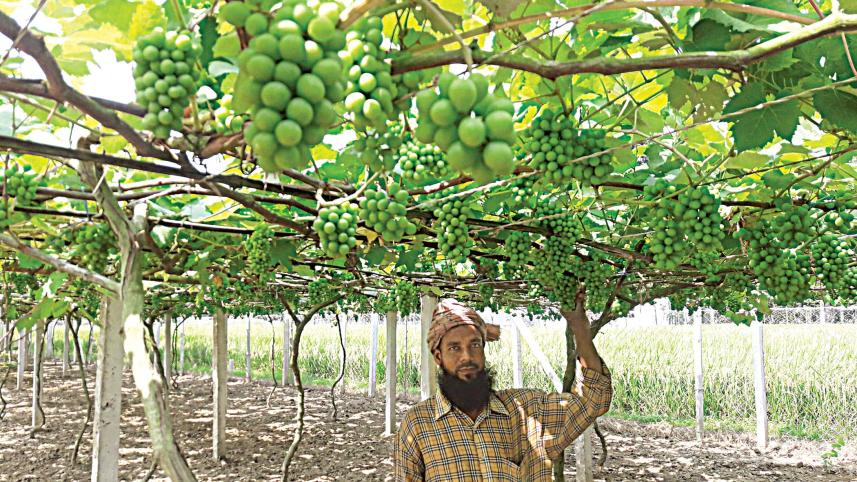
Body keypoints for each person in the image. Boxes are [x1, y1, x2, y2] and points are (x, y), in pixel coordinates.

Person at [393, 289, 612, 481]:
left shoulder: (527, 411)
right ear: (438, 356)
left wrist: (579, 327)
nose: (466, 357)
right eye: (454, 348)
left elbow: (594, 398)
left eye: (475, 344)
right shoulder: (418, 425)